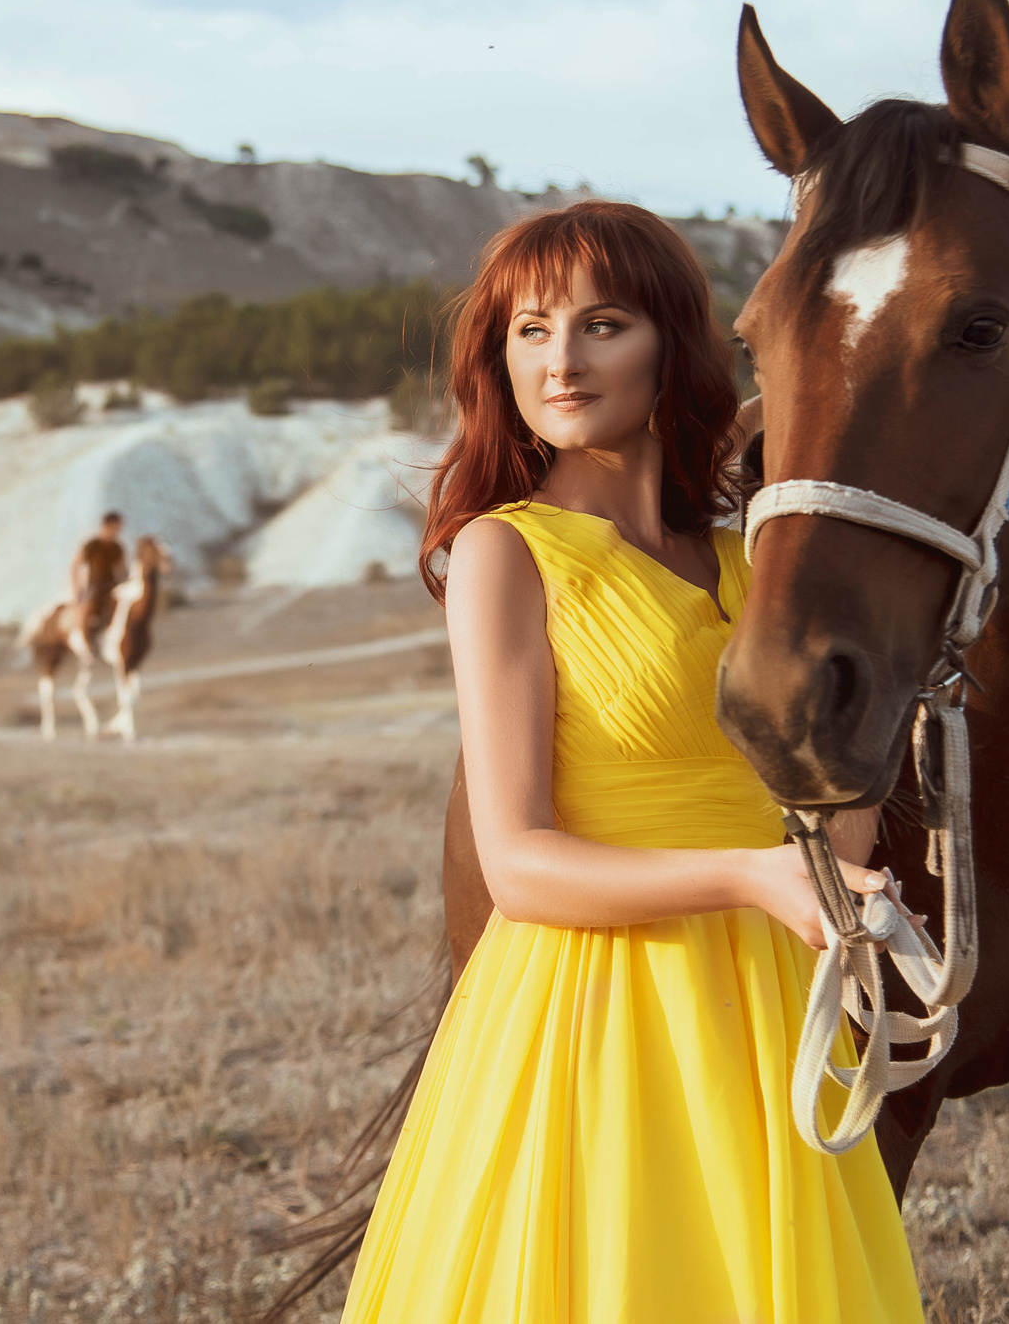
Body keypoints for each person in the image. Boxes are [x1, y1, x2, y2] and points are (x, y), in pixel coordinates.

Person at [338, 200, 923, 1322]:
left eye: (600, 323)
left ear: (668, 338)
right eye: (528, 330)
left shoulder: (751, 557)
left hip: (762, 1011)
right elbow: (517, 867)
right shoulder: (503, 553)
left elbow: (825, 818)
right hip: (589, 1011)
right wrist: (752, 876)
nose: (560, 360)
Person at [67, 512, 128, 658]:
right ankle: (87, 646)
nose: (118, 530)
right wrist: (76, 588)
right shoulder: (92, 545)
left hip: (113, 587)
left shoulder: (117, 547)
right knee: (85, 612)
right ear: (108, 525)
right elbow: (75, 566)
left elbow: (123, 571)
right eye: (116, 527)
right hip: (94, 587)